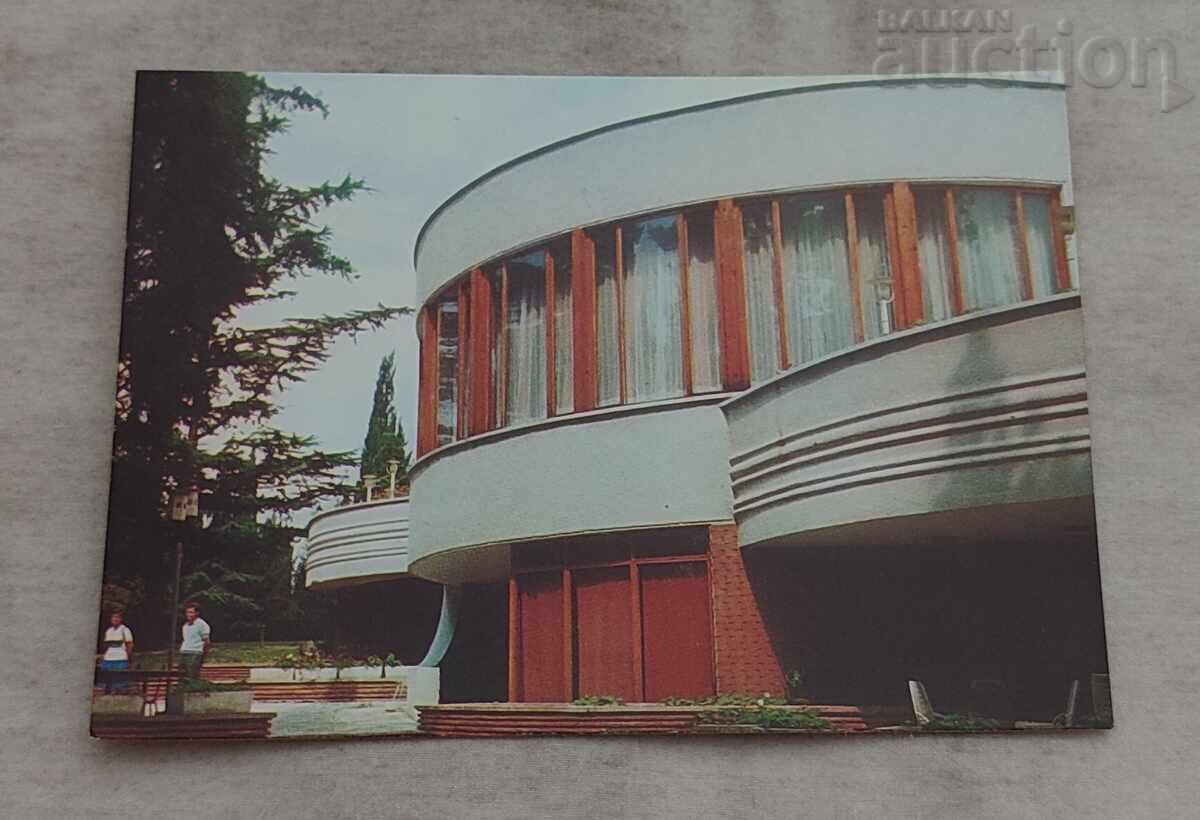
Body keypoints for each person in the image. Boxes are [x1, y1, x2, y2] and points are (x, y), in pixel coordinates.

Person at [99, 610, 134, 693]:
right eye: (113, 617)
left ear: (120, 619)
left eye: (117, 617)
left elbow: (129, 644)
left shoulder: (125, 630)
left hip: (120, 659)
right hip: (108, 660)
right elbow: (106, 646)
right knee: (107, 682)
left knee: (119, 682)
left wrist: (129, 657)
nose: (115, 619)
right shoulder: (109, 631)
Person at [178, 602, 211, 683]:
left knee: (192, 675)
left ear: (197, 613)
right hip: (184, 651)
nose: (188, 614)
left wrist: (203, 653)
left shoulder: (201, 624)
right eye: (187, 612)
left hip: (195, 652)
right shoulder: (185, 625)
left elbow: (206, 640)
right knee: (182, 675)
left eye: (191, 612)